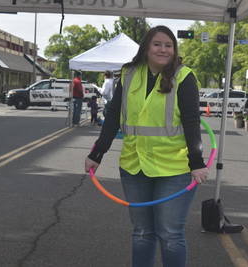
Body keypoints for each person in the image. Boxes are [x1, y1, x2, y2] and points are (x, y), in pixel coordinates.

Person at [84, 25, 209, 267]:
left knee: (171, 234)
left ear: (174, 49)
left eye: (169, 45)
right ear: (146, 47)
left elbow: (192, 121)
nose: (163, 49)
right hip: (134, 165)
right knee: (142, 232)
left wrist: (197, 163)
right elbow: (113, 116)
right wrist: (97, 154)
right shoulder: (129, 73)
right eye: (157, 44)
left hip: (174, 169)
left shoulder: (184, 76)